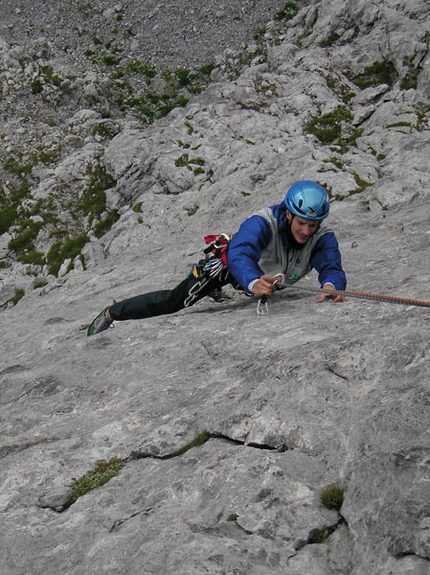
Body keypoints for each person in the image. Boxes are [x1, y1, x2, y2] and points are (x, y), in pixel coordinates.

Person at [87, 180, 346, 336]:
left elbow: (330, 264)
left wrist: (332, 285)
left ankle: (224, 292)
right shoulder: (263, 222)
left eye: (313, 226)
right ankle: (112, 313)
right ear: (288, 214)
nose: (306, 231)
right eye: (302, 223)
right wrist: (253, 281)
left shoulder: (321, 235)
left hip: (264, 277)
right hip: (230, 268)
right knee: (176, 301)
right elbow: (241, 251)